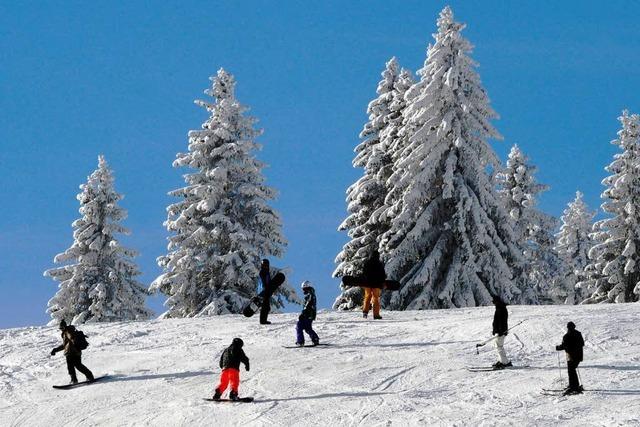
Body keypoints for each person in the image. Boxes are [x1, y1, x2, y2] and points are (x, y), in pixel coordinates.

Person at [50, 320, 94, 384]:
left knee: (71, 367)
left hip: (71, 352)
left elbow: (71, 338)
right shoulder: (68, 331)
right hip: (76, 351)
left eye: (62, 328)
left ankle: (74, 380)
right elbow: (65, 345)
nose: (61, 329)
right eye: (60, 328)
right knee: (78, 365)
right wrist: (55, 350)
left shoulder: (67, 331)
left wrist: (73, 339)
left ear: (65, 327)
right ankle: (89, 376)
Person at [556, 321, 585, 395]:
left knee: (571, 371)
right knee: (573, 370)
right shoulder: (578, 333)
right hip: (578, 356)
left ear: (568, 327)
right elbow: (582, 343)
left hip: (571, 356)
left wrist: (558, 348)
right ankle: (574, 385)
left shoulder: (566, 336)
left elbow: (564, 346)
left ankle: (573, 387)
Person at [362, 250, 386, 319]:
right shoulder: (379, 264)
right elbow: (382, 275)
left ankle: (365, 312)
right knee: (375, 299)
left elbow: (364, 273)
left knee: (367, 297)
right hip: (376, 284)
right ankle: (376, 315)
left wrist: (363, 280)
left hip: (367, 283)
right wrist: (383, 282)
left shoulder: (367, 263)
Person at [296, 281, 320, 346]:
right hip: (310, 314)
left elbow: (308, 305)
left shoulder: (310, 294)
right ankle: (315, 339)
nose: (303, 290)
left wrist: (303, 313)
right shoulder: (311, 294)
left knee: (299, 325)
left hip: (308, 314)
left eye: (304, 289)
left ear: (307, 287)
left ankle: (300, 341)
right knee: (307, 328)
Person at [491, 295, 512, 369]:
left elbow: (501, 321)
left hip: (501, 331)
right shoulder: (500, 307)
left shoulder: (500, 308)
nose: (493, 302)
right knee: (498, 346)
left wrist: (500, 331)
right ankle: (501, 361)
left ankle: (504, 362)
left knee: (499, 346)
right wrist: (495, 330)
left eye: (493, 301)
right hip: (500, 331)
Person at [258, 259, 274, 325]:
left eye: (267, 266)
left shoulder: (266, 272)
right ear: (262, 266)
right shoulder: (262, 272)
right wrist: (265, 286)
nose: (266, 267)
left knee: (266, 306)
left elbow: (268, 281)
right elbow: (262, 281)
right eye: (264, 265)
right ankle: (263, 321)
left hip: (265, 291)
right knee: (265, 306)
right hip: (263, 291)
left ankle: (264, 320)